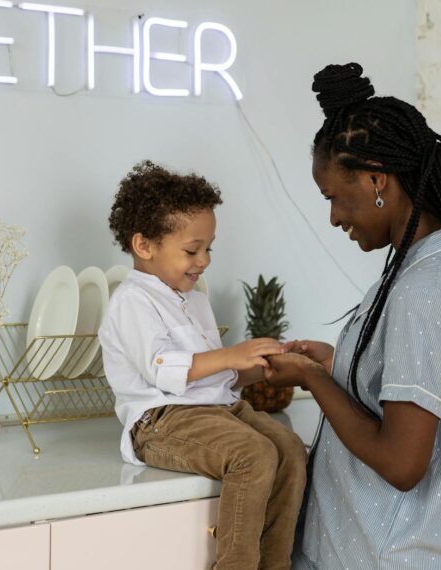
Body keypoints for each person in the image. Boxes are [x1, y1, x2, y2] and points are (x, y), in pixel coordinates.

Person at [262, 63, 441, 569]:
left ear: (378, 178)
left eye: (335, 197)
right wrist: (337, 363)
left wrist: (316, 380)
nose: (334, 217)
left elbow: (402, 462)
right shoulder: (422, 269)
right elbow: (405, 385)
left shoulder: (424, 289)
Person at [98, 160, 308, 570]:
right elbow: (165, 370)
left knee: (290, 449)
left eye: (209, 248)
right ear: (144, 247)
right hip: (161, 420)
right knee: (253, 454)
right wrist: (232, 354)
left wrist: (258, 365)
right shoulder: (132, 301)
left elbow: (210, 374)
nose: (205, 260)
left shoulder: (193, 298)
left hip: (216, 411)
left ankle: (275, 564)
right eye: (192, 250)